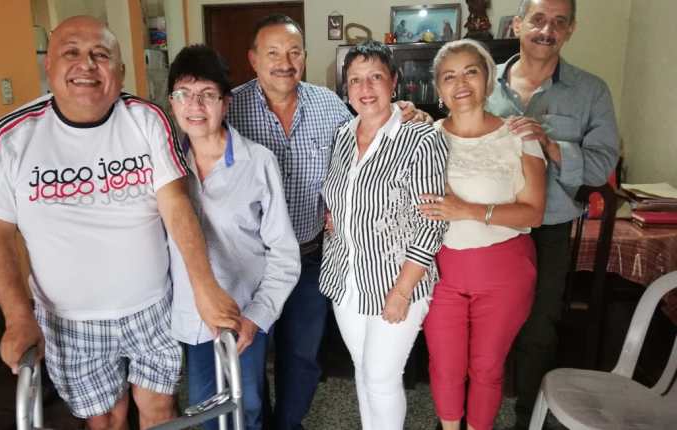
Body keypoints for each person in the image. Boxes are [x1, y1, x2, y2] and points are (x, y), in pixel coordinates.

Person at [0, 16, 239, 430]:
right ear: (48, 65)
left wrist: (205, 287)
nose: (87, 65)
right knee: (106, 420)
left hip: (151, 305)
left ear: (121, 70)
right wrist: (18, 317)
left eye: (100, 54)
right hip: (68, 320)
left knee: (160, 411)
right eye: (71, 53)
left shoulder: (147, 118)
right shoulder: (11, 137)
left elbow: (176, 204)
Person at [226, 14, 430, 429]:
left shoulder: (329, 107)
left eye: (294, 52)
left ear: (304, 57)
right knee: (250, 361)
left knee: (302, 355)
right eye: (273, 53)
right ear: (253, 59)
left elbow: (371, 134)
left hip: (310, 256)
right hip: (249, 263)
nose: (285, 62)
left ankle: (289, 424)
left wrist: (407, 111)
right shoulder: (230, 108)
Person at [485, 1, 619, 428]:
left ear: (571, 29)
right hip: (485, 225)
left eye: (559, 22)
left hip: (548, 228)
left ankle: (529, 418)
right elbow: (450, 139)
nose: (548, 30)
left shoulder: (591, 91)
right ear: (518, 24)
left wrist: (550, 145)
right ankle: (468, 416)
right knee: (478, 323)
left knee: (539, 328)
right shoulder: (481, 80)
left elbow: (601, 166)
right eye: (539, 19)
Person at [166, 44, 300, 430]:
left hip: (243, 317)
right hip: (191, 318)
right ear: (172, 102)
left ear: (225, 103)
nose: (195, 105)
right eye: (184, 94)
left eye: (207, 94)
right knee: (205, 411)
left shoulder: (257, 162)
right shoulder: (165, 165)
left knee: (248, 409)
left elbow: (284, 253)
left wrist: (256, 318)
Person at [320, 40, 449, 430]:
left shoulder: (421, 138)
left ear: (394, 81)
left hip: (396, 280)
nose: (365, 88)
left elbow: (432, 222)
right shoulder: (343, 134)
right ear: (346, 88)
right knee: (364, 369)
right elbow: (340, 192)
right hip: (347, 277)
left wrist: (402, 291)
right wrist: (335, 213)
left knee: (381, 376)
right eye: (355, 79)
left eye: (375, 76)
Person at [419, 39, 547, 430]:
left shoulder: (519, 135)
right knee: (444, 365)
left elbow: (534, 212)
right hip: (440, 270)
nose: (460, 83)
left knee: (488, 367)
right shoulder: (425, 139)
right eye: (449, 76)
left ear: (488, 79)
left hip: (504, 270)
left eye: (470, 72)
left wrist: (468, 210)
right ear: (438, 89)